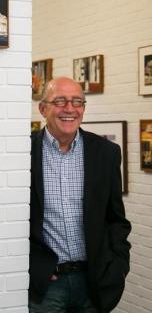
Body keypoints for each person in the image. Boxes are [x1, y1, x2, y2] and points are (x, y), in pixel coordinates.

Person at [29, 77, 131, 313]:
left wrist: (118, 265)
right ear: (43, 109)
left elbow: (116, 218)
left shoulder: (106, 153)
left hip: (94, 280)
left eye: (77, 102)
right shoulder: (24, 150)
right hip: (46, 285)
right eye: (60, 101)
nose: (70, 109)